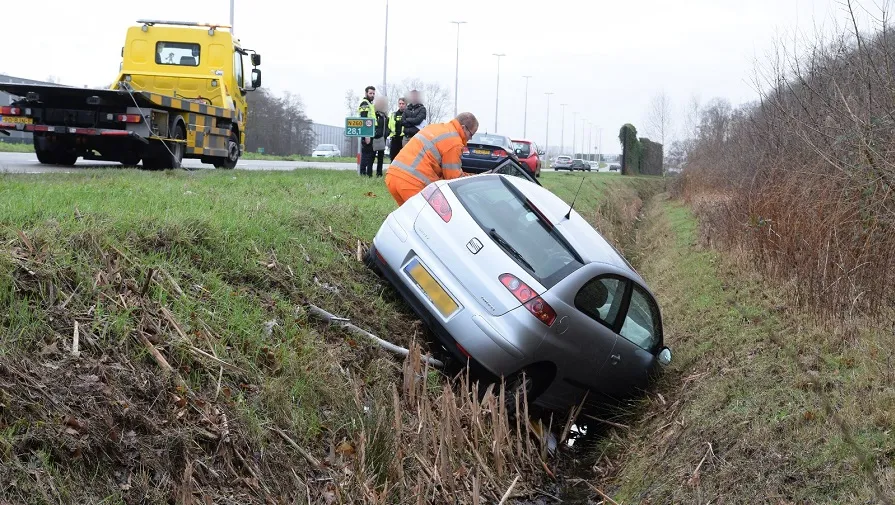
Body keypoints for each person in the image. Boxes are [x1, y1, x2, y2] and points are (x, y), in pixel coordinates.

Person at [384, 112, 479, 206]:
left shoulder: (435, 127)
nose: (470, 138)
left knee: (408, 217)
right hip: (411, 183)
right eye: (471, 134)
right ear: (463, 128)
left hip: (393, 176)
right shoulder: (455, 142)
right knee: (427, 219)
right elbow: (453, 178)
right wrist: (474, 178)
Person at [358, 85, 376, 177]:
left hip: (370, 131)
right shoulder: (365, 103)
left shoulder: (370, 104)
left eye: (373, 93)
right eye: (370, 93)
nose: (372, 95)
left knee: (368, 154)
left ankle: (365, 174)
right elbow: (364, 119)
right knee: (365, 154)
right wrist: (366, 135)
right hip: (367, 132)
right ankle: (362, 173)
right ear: (366, 93)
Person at [371, 96, 390, 177]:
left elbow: (388, 126)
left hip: (383, 139)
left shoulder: (385, 116)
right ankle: (369, 173)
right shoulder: (375, 114)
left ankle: (379, 173)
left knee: (381, 157)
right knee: (372, 156)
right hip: (375, 139)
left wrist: (386, 133)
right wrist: (375, 133)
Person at [388, 97, 406, 161]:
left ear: (406, 104)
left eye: (403, 104)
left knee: (403, 158)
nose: (401, 105)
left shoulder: (408, 114)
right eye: (400, 103)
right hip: (394, 139)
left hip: (404, 138)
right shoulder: (393, 114)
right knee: (393, 158)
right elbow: (389, 126)